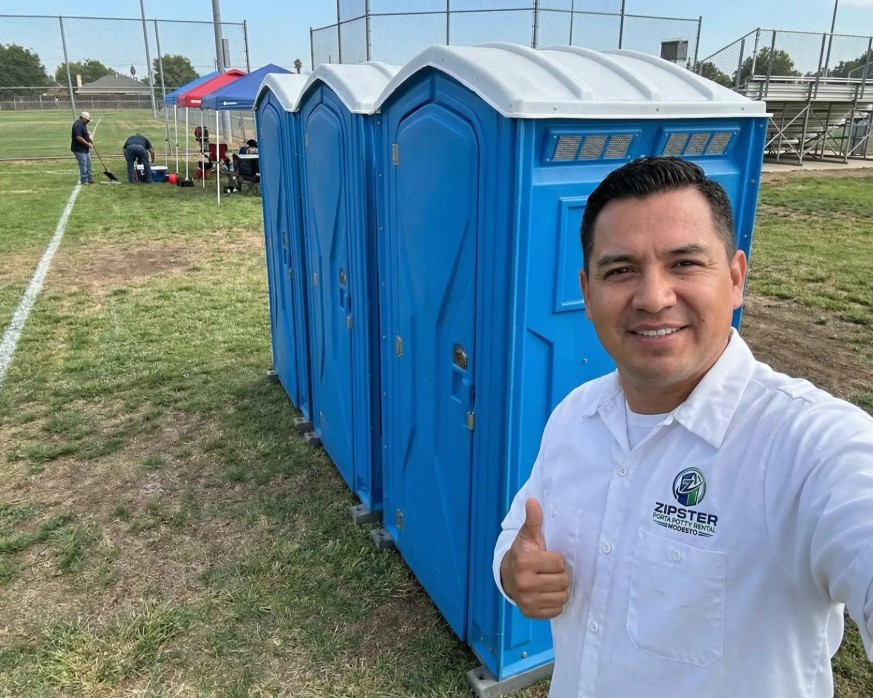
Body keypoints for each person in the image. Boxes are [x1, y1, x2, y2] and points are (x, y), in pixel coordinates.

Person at [493, 157, 873, 697]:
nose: (653, 297)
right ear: (587, 291)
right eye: (620, 270)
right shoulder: (576, 415)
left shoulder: (809, 446)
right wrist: (514, 572)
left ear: (736, 278)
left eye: (685, 263)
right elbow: (520, 532)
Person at [70, 111, 93, 185]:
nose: (88, 122)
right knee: (83, 165)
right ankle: (84, 180)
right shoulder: (77, 125)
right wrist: (87, 144)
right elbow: (79, 137)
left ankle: (89, 179)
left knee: (88, 164)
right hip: (79, 149)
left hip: (85, 149)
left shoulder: (83, 124)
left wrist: (89, 140)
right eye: (87, 120)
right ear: (83, 118)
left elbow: (84, 134)